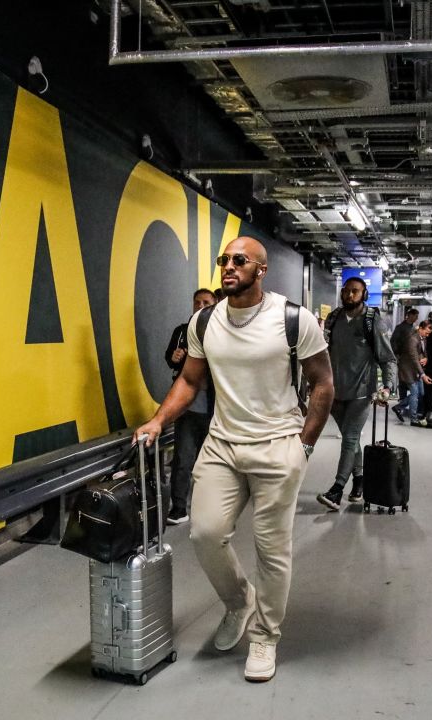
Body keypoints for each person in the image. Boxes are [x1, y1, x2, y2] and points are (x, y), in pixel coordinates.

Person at [134, 236, 334, 683]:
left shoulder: (292, 320)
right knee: (205, 533)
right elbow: (189, 381)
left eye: (239, 260)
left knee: (272, 550)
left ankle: (264, 635)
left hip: (277, 445)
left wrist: (303, 445)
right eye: (224, 259)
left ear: (260, 270)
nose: (228, 266)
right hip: (223, 445)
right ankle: (239, 601)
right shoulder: (204, 322)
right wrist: (156, 420)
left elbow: (322, 384)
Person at [315, 277, 397, 510]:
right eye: (347, 291)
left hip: (362, 393)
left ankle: (336, 489)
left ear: (364, 295)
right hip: (335, 394)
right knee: (352, 443)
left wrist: (387, 387)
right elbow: (324, 354)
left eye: (355, 291)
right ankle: (359, 482)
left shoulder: (372, 322)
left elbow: (388, 358)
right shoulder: (334, 318)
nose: (350, 295)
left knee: (350, 439)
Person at [162, 288, 218, 524]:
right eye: (197, 302)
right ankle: (178, 507)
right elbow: (169, 358)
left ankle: (211, 506)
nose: (200, 306)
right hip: (187, 408)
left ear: (215, 305)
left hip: (216, 410)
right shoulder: (182, 332)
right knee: (183, 460)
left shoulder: (223, 333)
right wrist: (173, 358)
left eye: (206, 302)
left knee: (213, 462)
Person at [393, 318, 430, 426]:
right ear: (421, 329)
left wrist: (425, 358)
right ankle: (413, 419)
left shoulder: (423, 338)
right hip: (408, 369)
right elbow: (413, 358)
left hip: (416, 370)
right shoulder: (412, 339)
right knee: (415, 393)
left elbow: (423, 353)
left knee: (420, 393)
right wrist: (423, 374)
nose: (427, 335)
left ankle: (398, 407)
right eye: (426, 332)